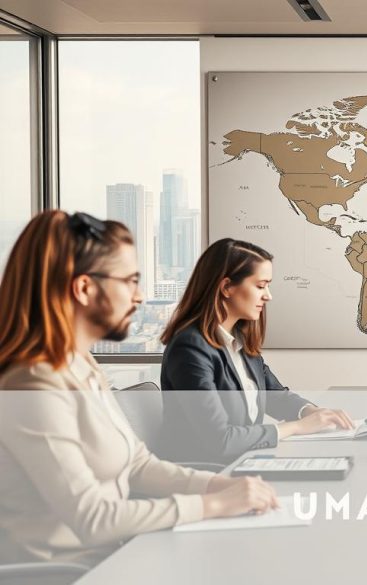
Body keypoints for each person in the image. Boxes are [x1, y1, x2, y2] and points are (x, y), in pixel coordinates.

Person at [0, 211, 278, 567]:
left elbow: (138, 463)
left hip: (118, 551)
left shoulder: (82, 365)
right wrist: (211, 505)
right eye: (130, 281)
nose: (139, 296)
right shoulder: (33, 385)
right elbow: (92, 518)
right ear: (84, 288)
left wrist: (215, 485)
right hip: (75, 570)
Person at [160, 238, 353, 465]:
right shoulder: (190, 349)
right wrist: (297, 427)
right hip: (213, 475)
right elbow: (220, 439)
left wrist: (311, 412)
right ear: (226, 288)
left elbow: (275, 396)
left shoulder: (238, 340)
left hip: (248, 460)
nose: (268, 295)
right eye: (260, 286)